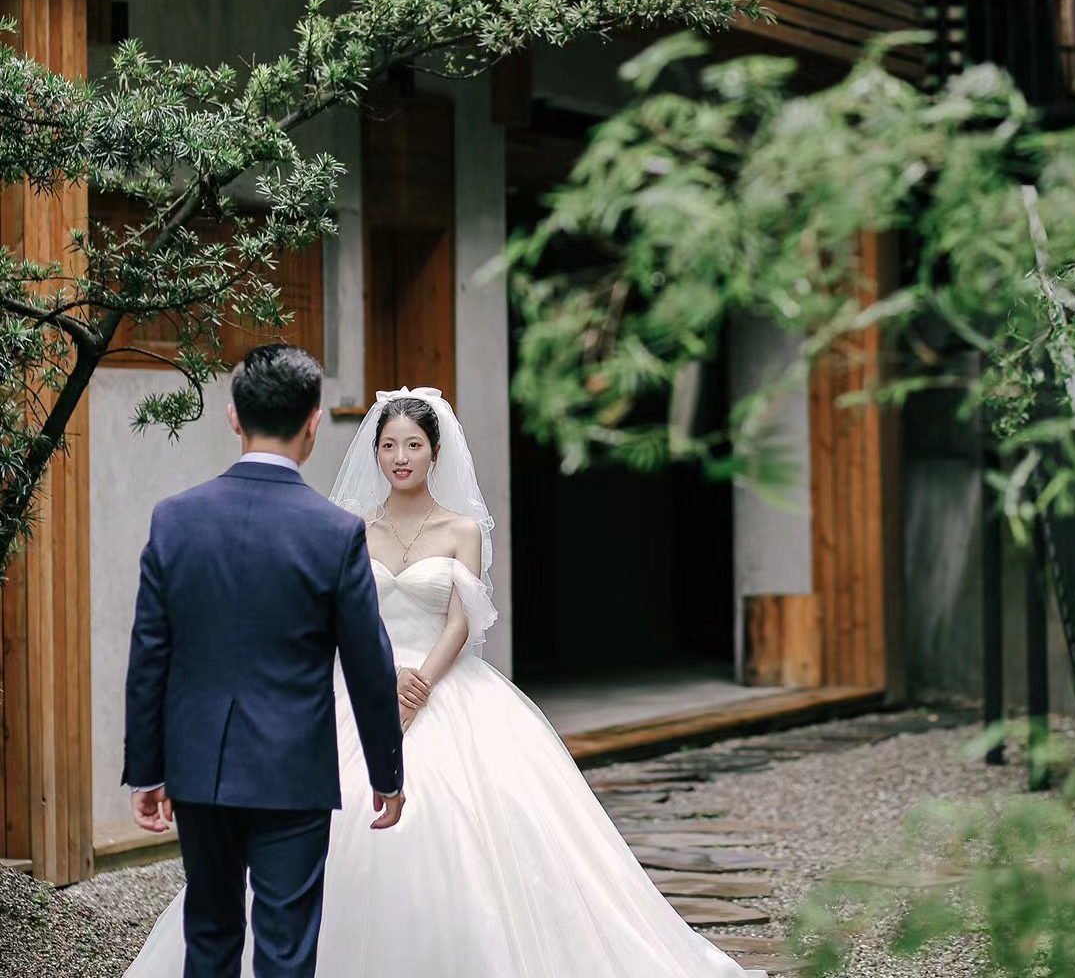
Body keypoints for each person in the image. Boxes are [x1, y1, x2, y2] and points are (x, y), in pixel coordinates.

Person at [125, 384, 764, 978]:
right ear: (374, 452)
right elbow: (339, 620)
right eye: (389, 445)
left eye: (413, 445)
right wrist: (381, 680)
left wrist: (421, 683)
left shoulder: (462, 529)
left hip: (447, 682)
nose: (400, 457)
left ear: (435, 452)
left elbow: (463, 618)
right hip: (366, 683)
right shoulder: (351, 527)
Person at [122, 345, 404, 978]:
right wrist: (386, 772)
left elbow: (149, 656)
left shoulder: (174, 520)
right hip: (293, 770)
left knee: (210, 935)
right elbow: (369, 664)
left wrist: (147, 770)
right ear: (313, 422)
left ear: (233, 417)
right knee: (286, 948)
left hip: (199, 768)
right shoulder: (335, 532)